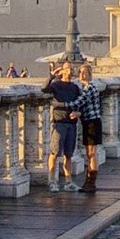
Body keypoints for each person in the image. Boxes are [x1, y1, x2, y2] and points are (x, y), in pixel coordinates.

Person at [41, 60, 92, 191]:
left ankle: (68, 181)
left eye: (71, 69)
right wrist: (51, 76)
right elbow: (44, 89)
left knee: (68, 154)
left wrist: (78, 113)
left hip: (71, 123)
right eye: (67, 69)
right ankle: (52, 180)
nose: (70, 71)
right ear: (62, 71)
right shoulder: (57, 85)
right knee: (55, 152)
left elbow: (81, 103)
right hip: (59, 122)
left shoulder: (75, 87)